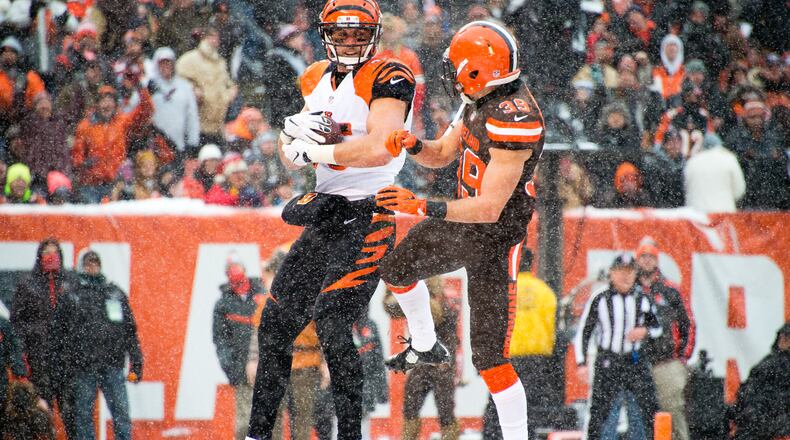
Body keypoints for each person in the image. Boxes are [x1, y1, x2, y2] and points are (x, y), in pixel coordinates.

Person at [245, 0, 415, 438]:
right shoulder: (315, 76)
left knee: (334, 323)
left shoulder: (390, 75)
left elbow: (381, 145)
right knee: (275, 324)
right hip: (327, 211)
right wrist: (293, 140)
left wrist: (317, 148)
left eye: (360, 33)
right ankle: (258, 432)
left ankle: (350, 434)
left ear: (374, 35)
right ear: (326, 35)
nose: (351, 42)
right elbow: (292, 146)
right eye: (341, 33)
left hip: (370, 211)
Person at [373, 21, 544, 440]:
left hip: (493, 239)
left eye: (457, 67)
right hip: (462, 224)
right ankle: (426, 341)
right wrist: (412, 145)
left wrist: (420, 206)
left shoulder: (514, 118)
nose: (451, 76)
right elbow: (443, 155)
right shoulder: (478, 99)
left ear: (477, 70)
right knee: (394, 268)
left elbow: (488, 209)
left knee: (491, 360)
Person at [50, 251, 143, 440]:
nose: (92, 266)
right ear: (81, 266)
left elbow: (129, 331)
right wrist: (61, 363)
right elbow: (58, 333)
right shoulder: (71, 295)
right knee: (83, 415)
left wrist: (136, 361)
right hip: (83, 367)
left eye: (95, 263)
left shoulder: (114, 293)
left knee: (121, 414)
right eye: (88, 263)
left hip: (112, 365)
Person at [574, 253, 662, 440]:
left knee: (641, 409)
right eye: (621, 271)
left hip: (635, 361)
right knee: (602, 411)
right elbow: (584, 331)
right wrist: (581, 362)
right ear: (612, 273)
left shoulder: (642, 299)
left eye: (630, 272)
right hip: (608, 361)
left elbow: (658, 328)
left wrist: (644, 331)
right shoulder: (600, 299)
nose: (626, 276)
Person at [482, 249, 557, 439]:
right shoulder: (545, 291)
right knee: (528, 409)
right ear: (531, 264)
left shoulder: (503, 289)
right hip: (536, 361)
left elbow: (490, 325)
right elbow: (552, 327)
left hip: (506, 359)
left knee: (497, 406)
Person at [11, 238, 77, 437]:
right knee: (41, 415)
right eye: (46, 252)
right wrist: (25, 351)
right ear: (39, 256)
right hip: (39, 359)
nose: (51, 256)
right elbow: (17, 324)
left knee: (71, 414)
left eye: (54, 252)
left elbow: (79, 319)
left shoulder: (69, 283)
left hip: (66, 360)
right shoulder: (27, 285)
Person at [384, 276, 460, 440]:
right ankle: (408, 437)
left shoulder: (447, 296)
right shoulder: (418, 298)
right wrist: (392, 289)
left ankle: (449, 436)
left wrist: (418, 301)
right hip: (422, 363)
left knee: (445, 411)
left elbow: (440, 314)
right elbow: (390, 307)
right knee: (410, 408)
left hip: (442, 363)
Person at [636, 239, 694, 440]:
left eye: (651, 256)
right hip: (637, 364)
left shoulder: (670, 290)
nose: (647, 261)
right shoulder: (630, 289)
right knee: (639, 415)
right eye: (643, 256)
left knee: (672, 413)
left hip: (666, 363)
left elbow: (689, 324)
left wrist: (682, 358)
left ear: (657, 260)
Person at [71, 83, 154, 203]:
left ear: (115, 104)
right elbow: (76, 155)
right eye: (103, 101)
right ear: (97, 105)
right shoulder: (85, 126)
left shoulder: (122, 122)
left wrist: (143, 91)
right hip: (90, 185)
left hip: (116, 184)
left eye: (110, 100)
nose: (107, 105)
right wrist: (84, 163)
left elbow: (146, 112)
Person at [213, 256, 265, 440]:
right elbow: (220, 341)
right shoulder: (223, 305)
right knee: (244, 422)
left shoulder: (263, 295)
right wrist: (233, 368)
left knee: (270, 420)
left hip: (266, 369)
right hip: (241, 371)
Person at [730, 322, 790, 440]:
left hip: (772, 422)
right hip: (757, 420)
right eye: (783, 336)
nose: (784, 340)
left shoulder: (775, 364)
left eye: (787, 336)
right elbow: (747, 390)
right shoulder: (768, 362)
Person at [684, 133, 745, 212]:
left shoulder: (692, 162)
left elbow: (686, 188)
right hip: (724, 212)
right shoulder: (729, 159)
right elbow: (739, 190)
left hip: (698, 214)